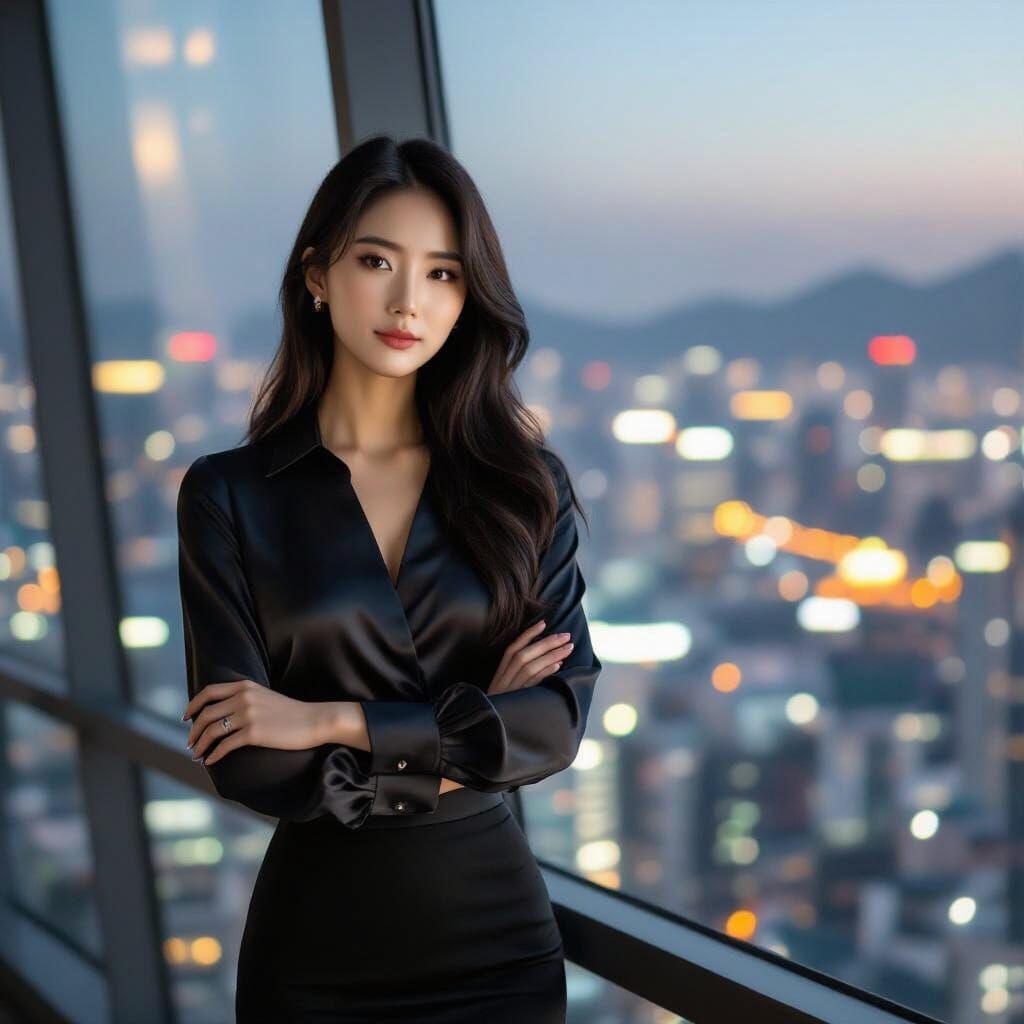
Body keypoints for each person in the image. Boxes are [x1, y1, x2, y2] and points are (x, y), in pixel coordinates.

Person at [175, 135, 602, 1022]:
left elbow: (555, 723)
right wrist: (474, 722)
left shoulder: (524, 487)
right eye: (377, 261)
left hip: (497, 950)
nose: (410, 300)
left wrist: (324, 719)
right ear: (318, 276)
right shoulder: (230, 495)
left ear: (467, 299)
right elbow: (249, 760)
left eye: (444, 273)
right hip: (316, 954)